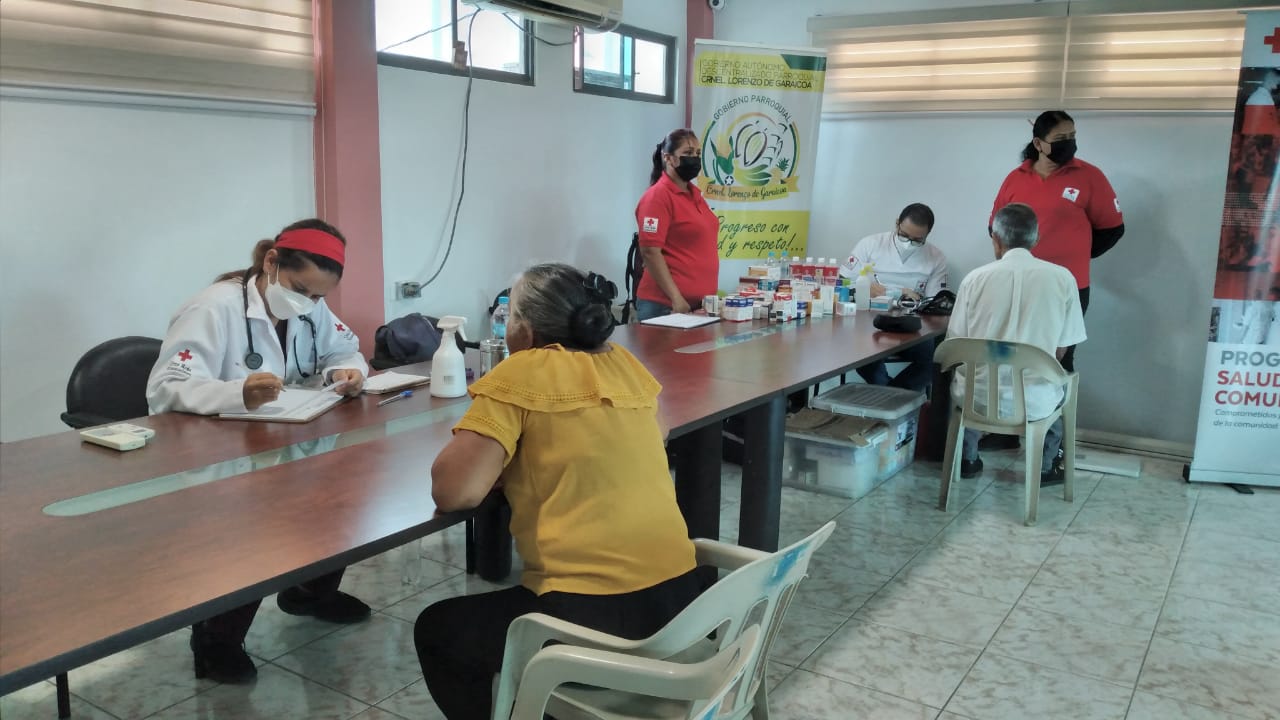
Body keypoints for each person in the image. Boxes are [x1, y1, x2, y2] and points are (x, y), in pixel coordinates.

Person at [414, 263, 703, 720]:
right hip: (680, 604)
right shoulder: (622, 361)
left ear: (525, 331)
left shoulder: (522, 370)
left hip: (595, 623)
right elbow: (658, 433)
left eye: (509, 315)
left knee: (439, 630)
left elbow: (454, 492)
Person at [146, 218, 371, 683]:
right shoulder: (213, 308)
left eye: (319, 296)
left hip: (285, 441)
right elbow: (165, 387)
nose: (308, 303)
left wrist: (345, 373)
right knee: (252, 537)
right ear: (271, 261)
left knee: (339, 498)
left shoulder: (310, 307)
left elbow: (344, 350)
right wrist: (237, 393)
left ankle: (308, 593)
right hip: (219, 452)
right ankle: (216, 641)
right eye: (301, 289)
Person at [984, 110, 1123, 450]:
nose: (1070, 143)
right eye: (1061, 139)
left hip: (1066, 288)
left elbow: (1112, 229)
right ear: (1038, 143)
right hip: (1015, 284)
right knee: (1009, 356)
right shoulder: (1016, 177)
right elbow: (995, 225)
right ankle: (1006, 430)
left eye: (1072, 136)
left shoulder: (1089, 176)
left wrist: (1074, 255)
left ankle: (1053, 448)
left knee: (1057, 360)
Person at [950, 203, 1086, 485]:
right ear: (1036, 240)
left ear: (995, 239)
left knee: (970, 373)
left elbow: (957, 344)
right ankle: (1046, 467)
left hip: (977, 401)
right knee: (1061, 381)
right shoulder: (1063, 278)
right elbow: (1062, 350)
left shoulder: (974, 279)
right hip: (1035, 402)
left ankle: (967, 459)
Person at [840, 202, 949, 391]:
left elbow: (934, 304)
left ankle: (890, 397)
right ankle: (894, 399)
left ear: (927, 234)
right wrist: (887, 291)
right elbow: (842, 283)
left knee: (934, 360)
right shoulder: (870, 245)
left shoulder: (935, 257)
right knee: (862, 357)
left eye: (917, 240)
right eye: (904, 235)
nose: (908, 244)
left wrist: (904, 296)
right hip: (869, 323)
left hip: (912, 327)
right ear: (897, 223)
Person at [634, 128, 720, 320]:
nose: (695, 158)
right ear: (668, 158)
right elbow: (650, 252)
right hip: (666, 306)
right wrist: (676, 298)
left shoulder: (695, 195)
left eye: (697, 153)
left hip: (698, 306)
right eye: (688, 153)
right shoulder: (657, 197)